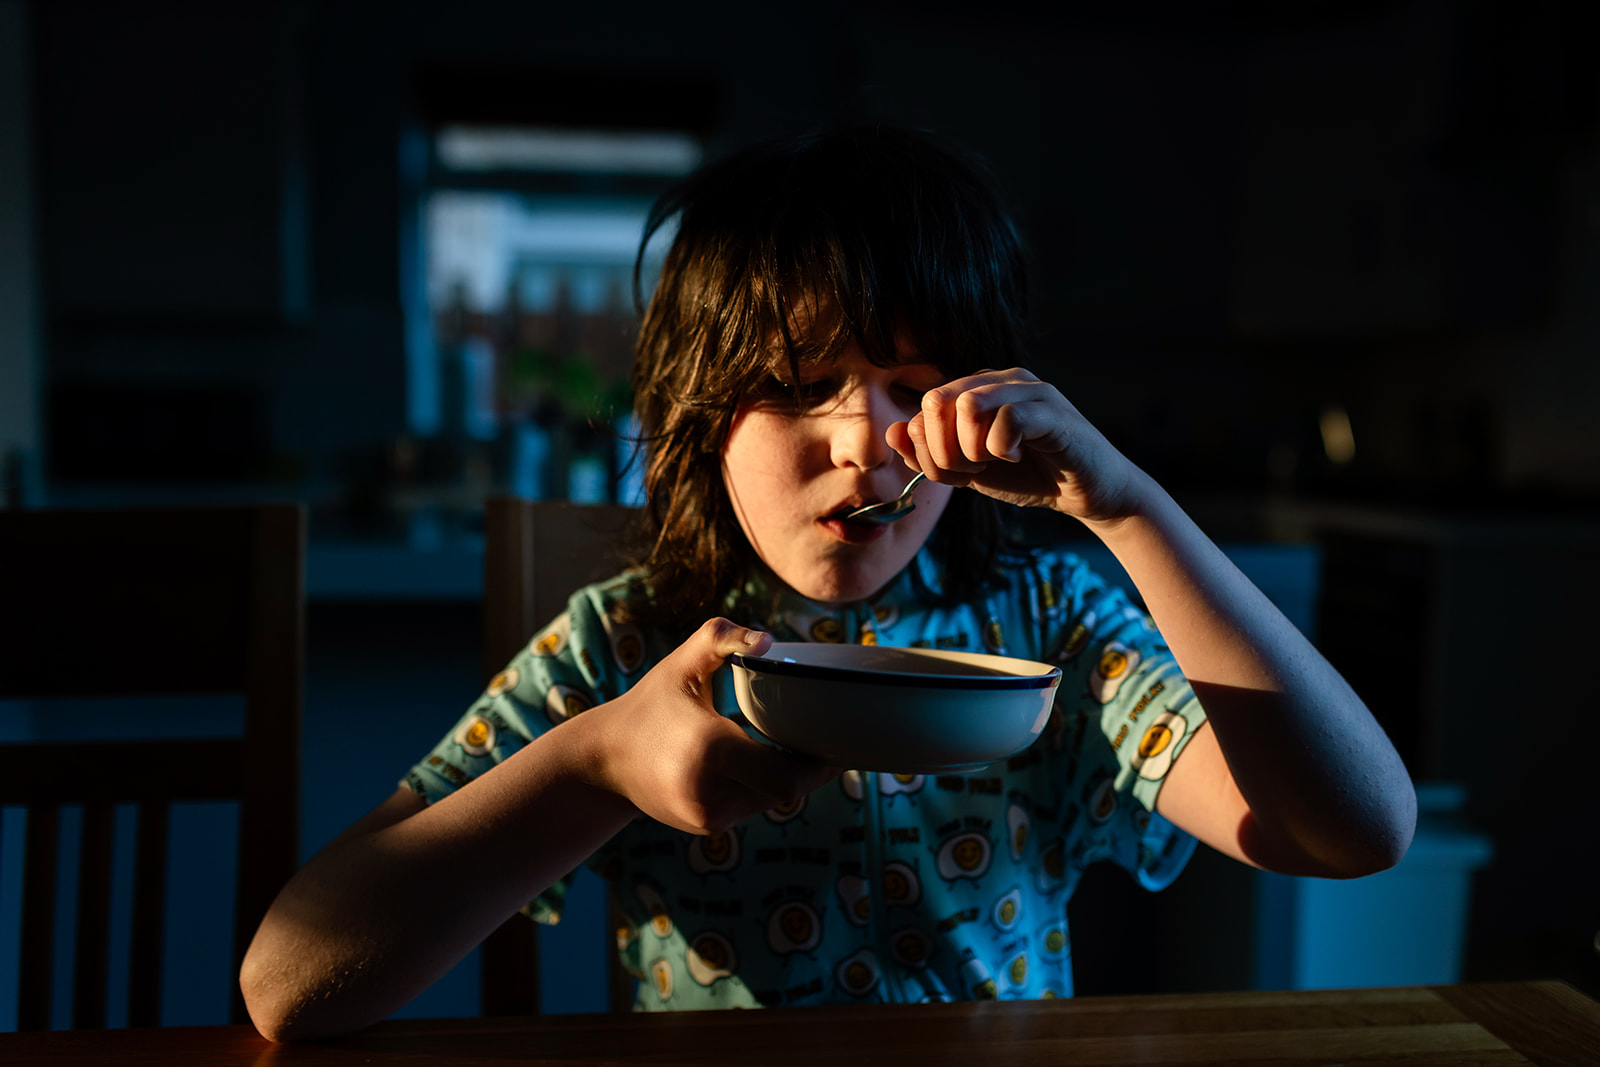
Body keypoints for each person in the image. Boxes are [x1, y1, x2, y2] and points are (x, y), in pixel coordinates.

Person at [240, 124, 1416, 1040]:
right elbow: (287, 979)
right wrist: (598, 760)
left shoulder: (1049, 625)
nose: (865, 440)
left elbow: (1354, 828)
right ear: (698, 416)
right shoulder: (627, 645)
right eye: (799, 385)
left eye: (915, 383)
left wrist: (1127, 507)